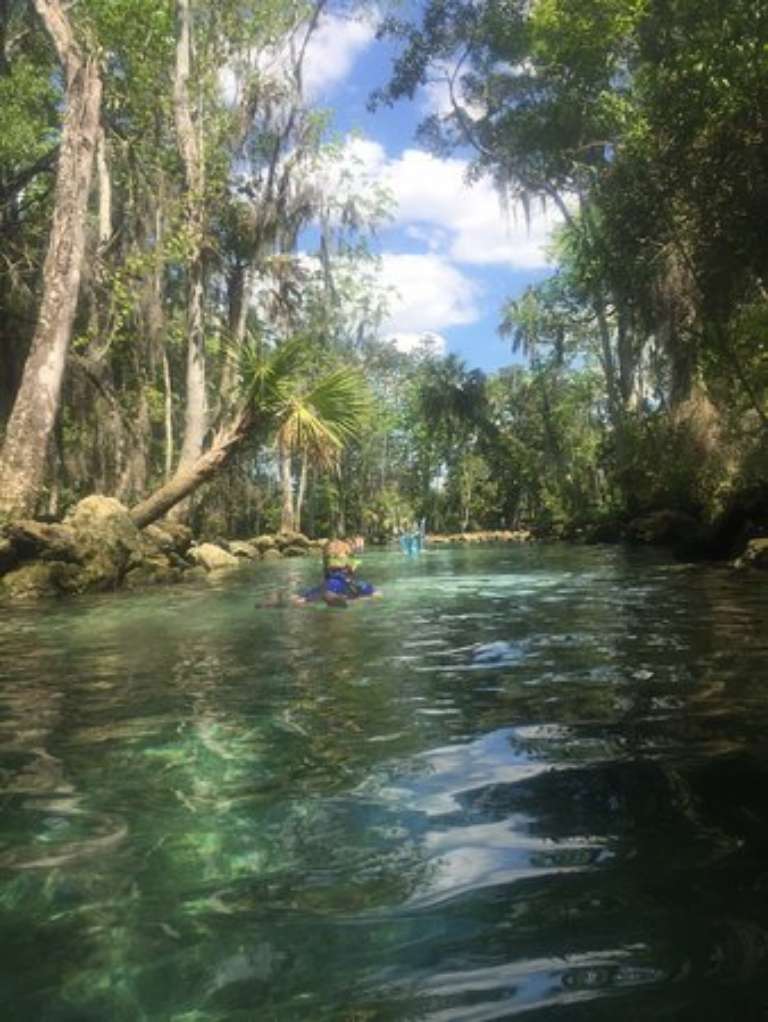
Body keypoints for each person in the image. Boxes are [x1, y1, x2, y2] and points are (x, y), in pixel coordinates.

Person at [293, 538, 378, 607]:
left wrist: (298, 599)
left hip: (327, 589)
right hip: (349, 590)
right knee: (367, 592)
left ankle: (333, 598)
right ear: (351, 566)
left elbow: (299, 600)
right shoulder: (361, 585)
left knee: (304, 597)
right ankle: (347, 601)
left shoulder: (322, 586)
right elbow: (377, 595)